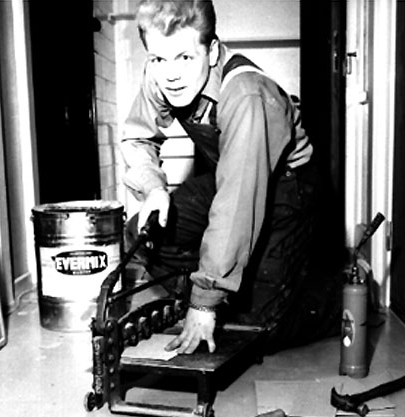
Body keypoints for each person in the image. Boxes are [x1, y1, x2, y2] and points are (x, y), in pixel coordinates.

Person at [121, 0, 342, 355]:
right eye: (159, 59)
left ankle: (337, 297)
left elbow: (237, 203)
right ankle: (225, 287)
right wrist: (154, 188)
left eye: (185, 57)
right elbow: (137, 138)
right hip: (229, 172)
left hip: (289, 186)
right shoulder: (160, 73)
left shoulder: (247, 94)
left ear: (211, 52)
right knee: (144, 235)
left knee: (252, 330)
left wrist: (205, 301)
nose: (171, 75)